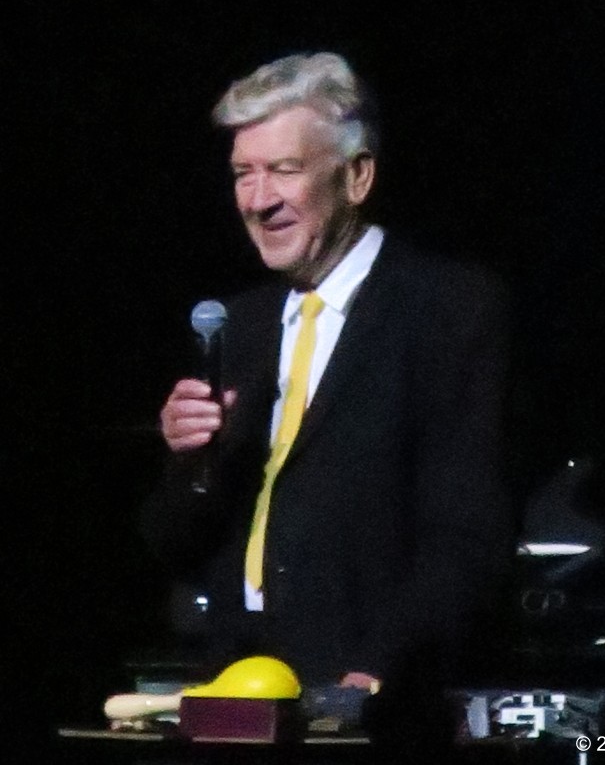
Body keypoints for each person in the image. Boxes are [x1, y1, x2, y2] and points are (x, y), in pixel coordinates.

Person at [139, 51, 514, 755]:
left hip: (372, 700)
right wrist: (189, 459)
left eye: (284, 170)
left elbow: (467, 531)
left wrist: (380, 670)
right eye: (243, 174)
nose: (258, 200)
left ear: (357, 176)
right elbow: (173, 543)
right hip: (238, 697)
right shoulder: (239, 327)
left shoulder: (447, 309)